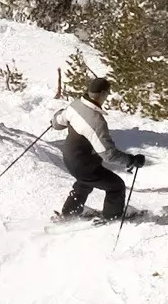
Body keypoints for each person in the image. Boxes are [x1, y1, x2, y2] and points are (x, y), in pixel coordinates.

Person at [51, 75, 145, 221]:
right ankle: (112, 217)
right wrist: (131, 160)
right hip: (84, 164)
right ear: (102, 94)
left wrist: (55, 119)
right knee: (116, 186)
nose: (106, 97)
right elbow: (108, 154)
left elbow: (57, 122)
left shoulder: (75, 105)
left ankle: (69, 214)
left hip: (70, 158)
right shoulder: (96, 121)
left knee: (84, 182)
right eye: (107, 94)